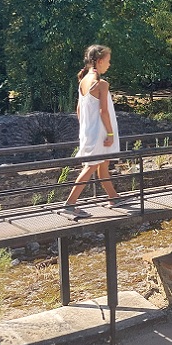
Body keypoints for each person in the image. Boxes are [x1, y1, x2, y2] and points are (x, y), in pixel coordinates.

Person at [61, 45, 121, 218]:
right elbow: (104, 112)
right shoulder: (101, 84)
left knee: (103, 164)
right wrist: (110, 134)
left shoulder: (83, 82)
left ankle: (113, 198)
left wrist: (87, 127)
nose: (109, 65)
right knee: (91, 166)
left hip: (90, 131)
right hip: (100, 133)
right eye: (108, 61)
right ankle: (70, 204)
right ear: (100, 61)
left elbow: (79, 110)